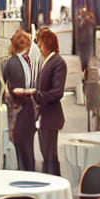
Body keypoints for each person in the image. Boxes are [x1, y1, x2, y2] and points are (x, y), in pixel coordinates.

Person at [31, 27, 66, 177]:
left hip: (51, 116)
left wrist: (38, 95)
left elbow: (58, 92)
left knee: (50, 156)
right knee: (46, 155)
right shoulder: (47, 61)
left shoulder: (58, 62)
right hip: (44, 116)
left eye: (41, 44)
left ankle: (54, 183)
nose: (39, 48)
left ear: (48, 43)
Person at [2, 28, 36, 171]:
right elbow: (16, 89)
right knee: (26, 149)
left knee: (23, 149)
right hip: (24, 109)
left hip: (21, 110)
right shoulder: (21, 63)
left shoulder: (12, 62)